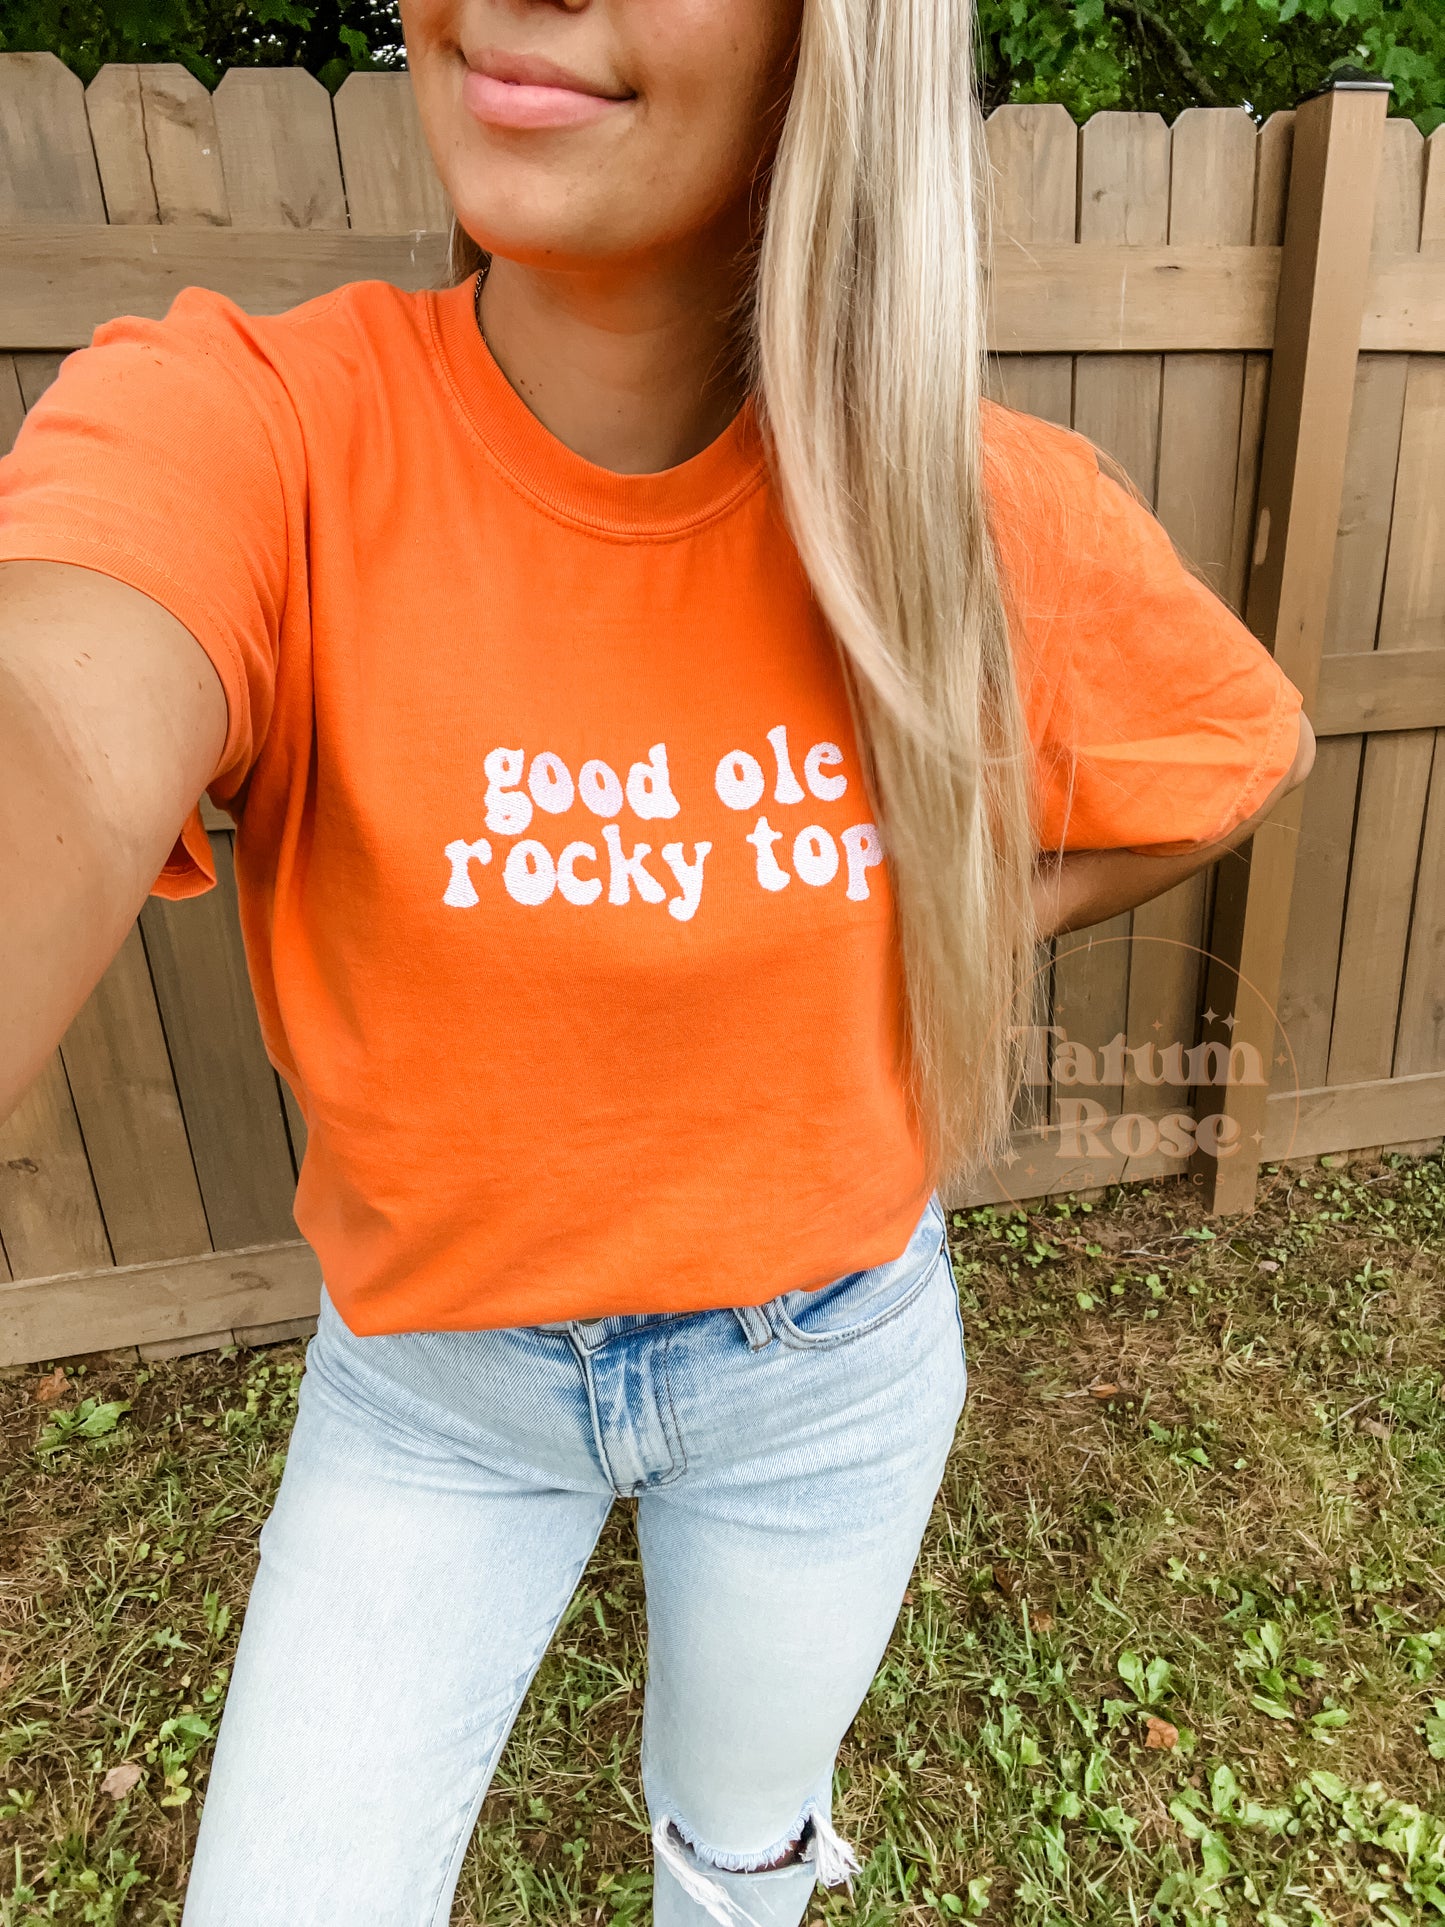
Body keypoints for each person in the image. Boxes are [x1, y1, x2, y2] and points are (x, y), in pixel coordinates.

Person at [0, 0, 1313, 1921]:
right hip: (436, 1398)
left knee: (734, 1849)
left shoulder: (960, 504)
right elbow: (56, 710)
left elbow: (1224, 750)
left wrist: (930, 907)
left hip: (826, 1376)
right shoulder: (251, 431)